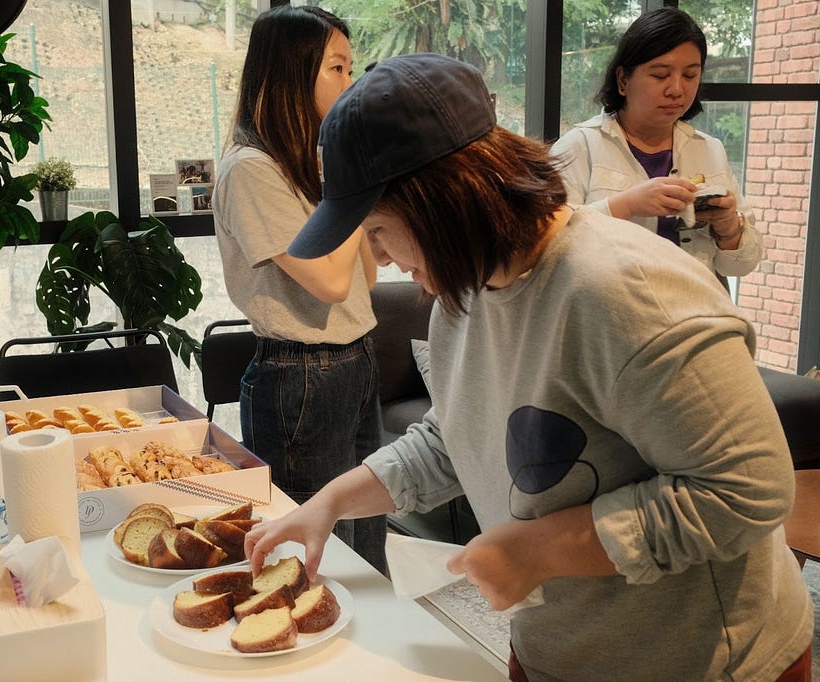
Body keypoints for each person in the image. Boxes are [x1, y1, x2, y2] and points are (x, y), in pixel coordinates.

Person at [244, 53, 813, 681]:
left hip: (701, 660)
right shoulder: (464, 294)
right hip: (556, 647)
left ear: (443, 202)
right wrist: (328, 502)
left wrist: (541, 549)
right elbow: (455, 435)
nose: (377, 257)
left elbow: (747, 491)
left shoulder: (621, 293)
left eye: (379, 229)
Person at [211, 5, 386, 571]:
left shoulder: (307, 163)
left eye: (350, 68)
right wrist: (354, 182)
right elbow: (334, 282)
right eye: (336, 68)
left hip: (353, 359)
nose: (350, 83)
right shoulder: (252, 170)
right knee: (315, 558)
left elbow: (368, 276)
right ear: (292, 73)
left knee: (364, 542)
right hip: (302, 376)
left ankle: (366, 656)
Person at [551, 8, 763, 281]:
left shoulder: (709, 150)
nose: (677, 89)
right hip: (609, 317)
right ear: (623, 80)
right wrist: (625, 205)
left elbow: (740, 266)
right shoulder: (579, 146)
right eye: (661, 75)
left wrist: (729, 228)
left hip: (694, 314)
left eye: (690, 76)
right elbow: (545, 251)